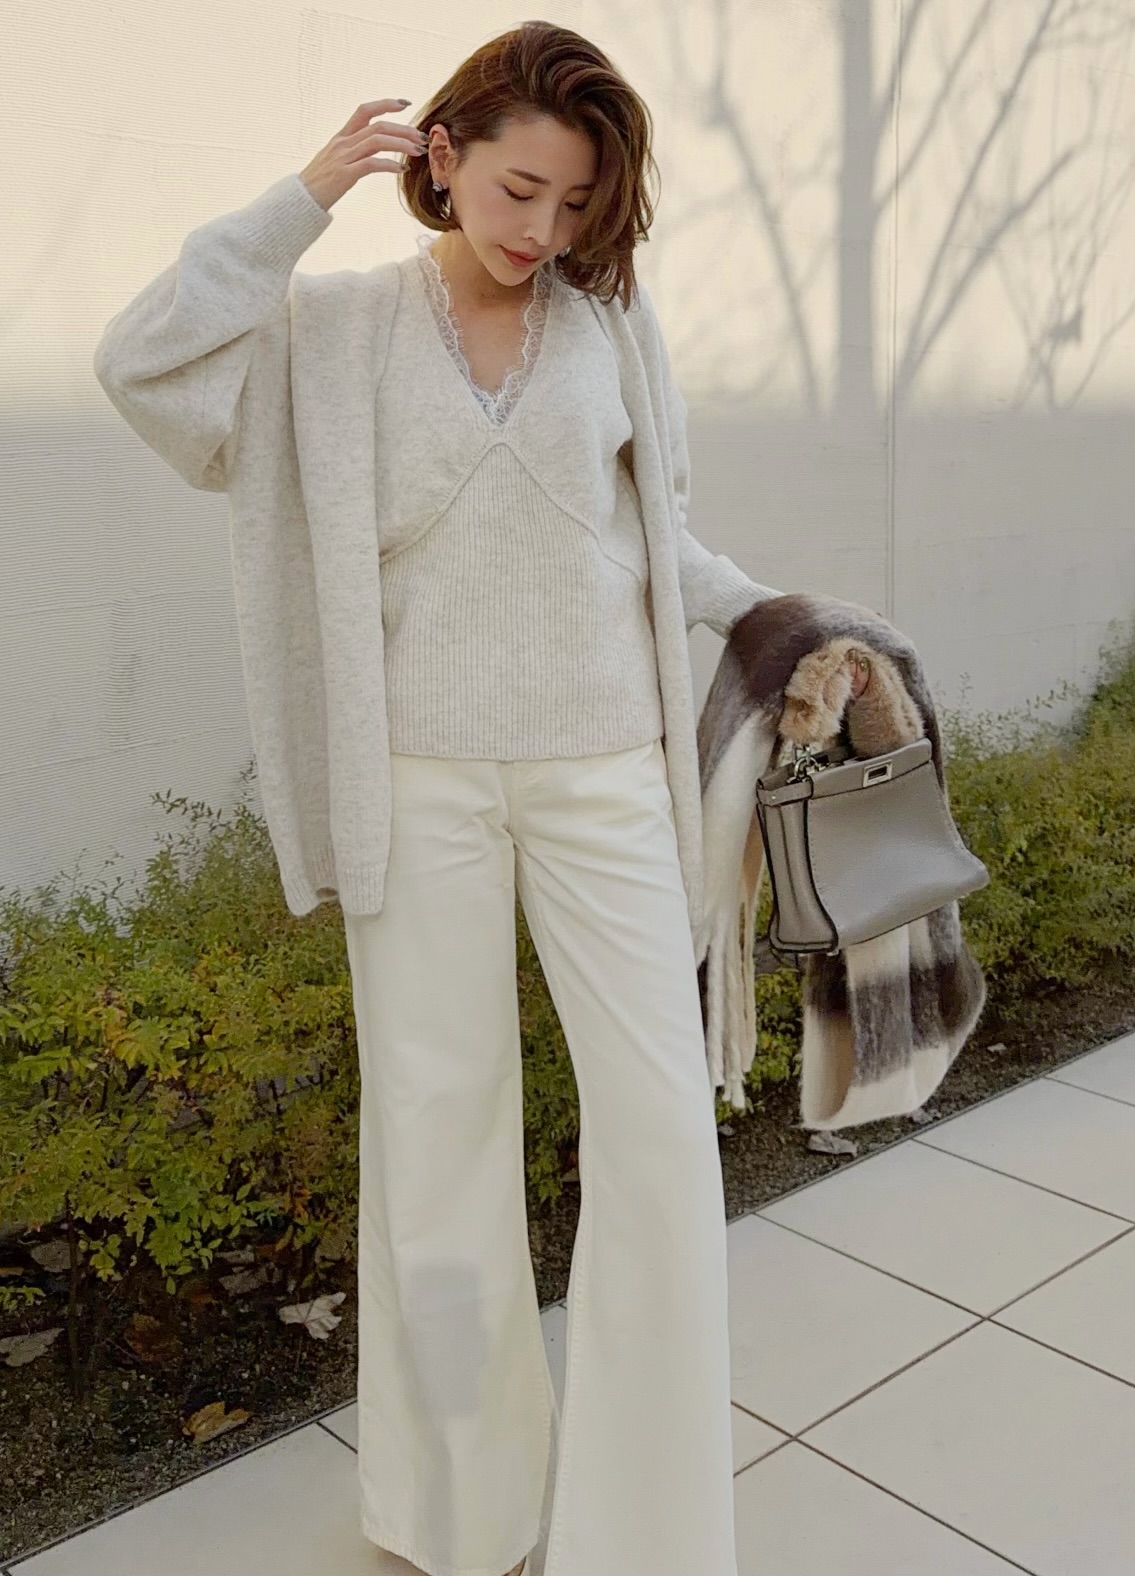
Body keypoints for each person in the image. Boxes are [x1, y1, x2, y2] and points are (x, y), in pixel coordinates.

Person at [93, 21, 867, 1575]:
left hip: (602, 776)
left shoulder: (610, 328)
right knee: (438, 1143)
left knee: (659, 1134)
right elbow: (144, 369)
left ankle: (647, 1536)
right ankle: (459, 1516)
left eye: (574, 204)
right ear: (439, 156)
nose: (542, 231)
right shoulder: (330, 331)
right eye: (520, 191)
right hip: (420, 785)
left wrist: (787, 622)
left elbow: (657, 541)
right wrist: (297, 200)